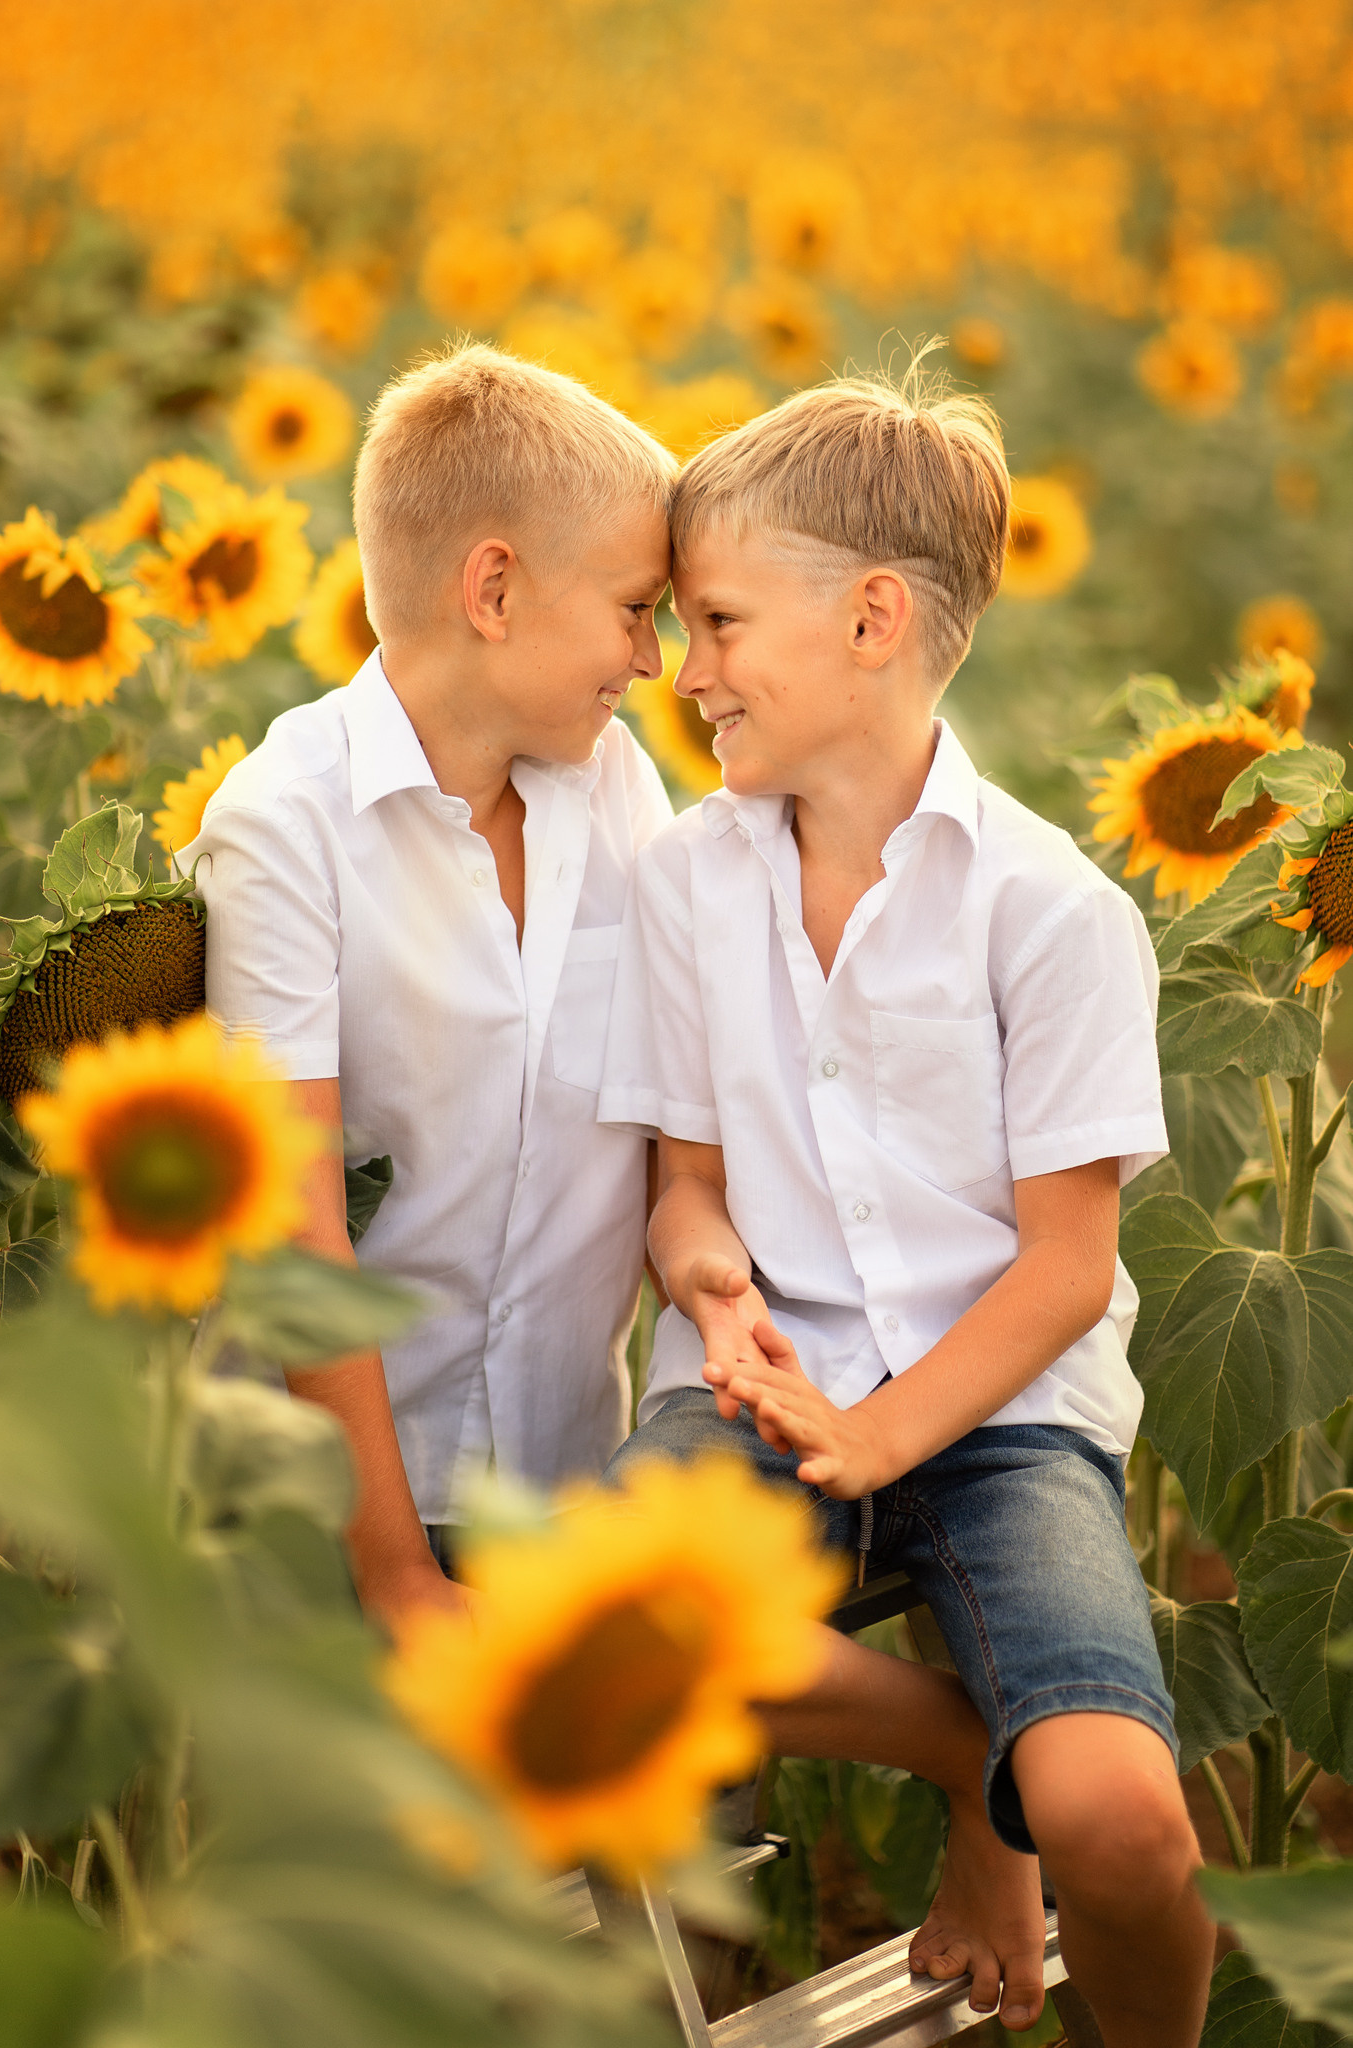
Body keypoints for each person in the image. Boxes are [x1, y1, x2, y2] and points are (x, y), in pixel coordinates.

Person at [598, 367, 1210, 2047]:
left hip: (1004, 1409)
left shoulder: (1052, 911)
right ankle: (961, 1745)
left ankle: (1040, 1830)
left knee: (1126, 1823)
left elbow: (1068, 1269)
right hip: (755, 1385)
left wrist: (873, 1441)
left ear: (872, 618)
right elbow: (689, 1194)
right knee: (626, 1637)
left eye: (718, 618)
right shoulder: (684, 878)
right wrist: (716, 1294)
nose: (688, 667)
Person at [187, 342, 675, 1622]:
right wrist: (396, 1573)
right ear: (495, 589)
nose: (654, 658)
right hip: (327, 1509)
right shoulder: (287, 824)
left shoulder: (620, 789)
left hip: (565, 1484)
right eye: (634, 606)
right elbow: (292, 1223)